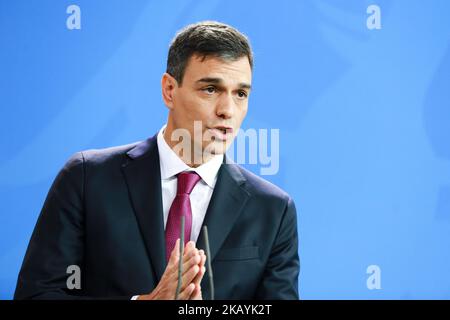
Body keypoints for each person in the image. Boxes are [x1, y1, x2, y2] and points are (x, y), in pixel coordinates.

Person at [14, 21, 299, 300]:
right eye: (210, 89)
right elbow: (36, 294)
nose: (227, 110)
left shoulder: (273, 209)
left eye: (240, 93)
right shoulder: (87, 177)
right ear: (169, 90)